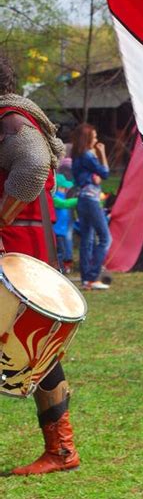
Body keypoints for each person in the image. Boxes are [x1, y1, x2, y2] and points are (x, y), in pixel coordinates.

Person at [0, 52, 80, 475]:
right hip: (22, 244)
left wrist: (1, 215)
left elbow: (32, 168)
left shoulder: (11, 120)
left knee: (33, 350)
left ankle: (62, 450)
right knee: (30, 349)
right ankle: (61, 449)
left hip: (19, 247)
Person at [71, 123, 111, 290]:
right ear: (87, 138)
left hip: (82, 199)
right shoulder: (88, 155)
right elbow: (105, 173)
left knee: (87, 239)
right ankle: (93, 276)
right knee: (105, 238)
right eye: (94, 137)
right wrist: (102, 153)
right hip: (91, 200)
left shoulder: (77, 155)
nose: (96, 139)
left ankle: (86, 279)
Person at [53, 171, 77, 274]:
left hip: (61, 232)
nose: (65, 190)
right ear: (57, 188)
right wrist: (79, 199)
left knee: (61, 252)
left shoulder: (61, 197)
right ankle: (59, 270)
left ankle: (60, 269)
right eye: (63, 188)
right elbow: (64, 204)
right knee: (60, 252)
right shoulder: (55, 199)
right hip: (57, 232)